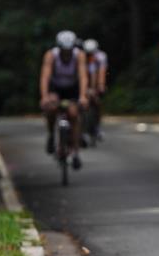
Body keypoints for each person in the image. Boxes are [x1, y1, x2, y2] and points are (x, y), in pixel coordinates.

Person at [39, 30, 88, 169]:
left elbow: (83, 76)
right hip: (56, 88)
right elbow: (45, 77)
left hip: (73, 87)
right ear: (58, 48)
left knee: (73, 114)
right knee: (51, 108)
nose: (66, 54)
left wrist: (83, 96)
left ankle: (76, 152)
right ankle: (51, 135)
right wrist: (44, 97)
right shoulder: (51, 55)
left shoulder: (79, 55)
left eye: (69, 51)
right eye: (63, 51)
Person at [82, 38, 108, 142]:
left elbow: (101, 73)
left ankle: (97, 127)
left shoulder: (101, 57)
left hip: (96, 82)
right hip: (84, 81)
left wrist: (100, 86)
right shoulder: (81, 57)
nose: (90, 55)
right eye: (88, 53)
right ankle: (82, 129)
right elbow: (81, 75)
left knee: (97, 102)